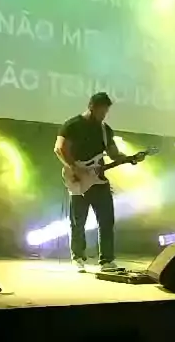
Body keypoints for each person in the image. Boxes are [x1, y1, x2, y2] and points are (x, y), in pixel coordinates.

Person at [54, 92, 142, 273]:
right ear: (91, 107)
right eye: (102, 111)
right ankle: (78, 257)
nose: (104, 115)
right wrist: (74, 168)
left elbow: (114, 154)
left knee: (107, 219)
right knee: (78, 221)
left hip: (99, 180)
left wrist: (130, 158)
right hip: (78, 178)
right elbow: (59, 148)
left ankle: (107, 260)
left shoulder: (105, 130)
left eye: (106, 111)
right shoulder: (72, 125)